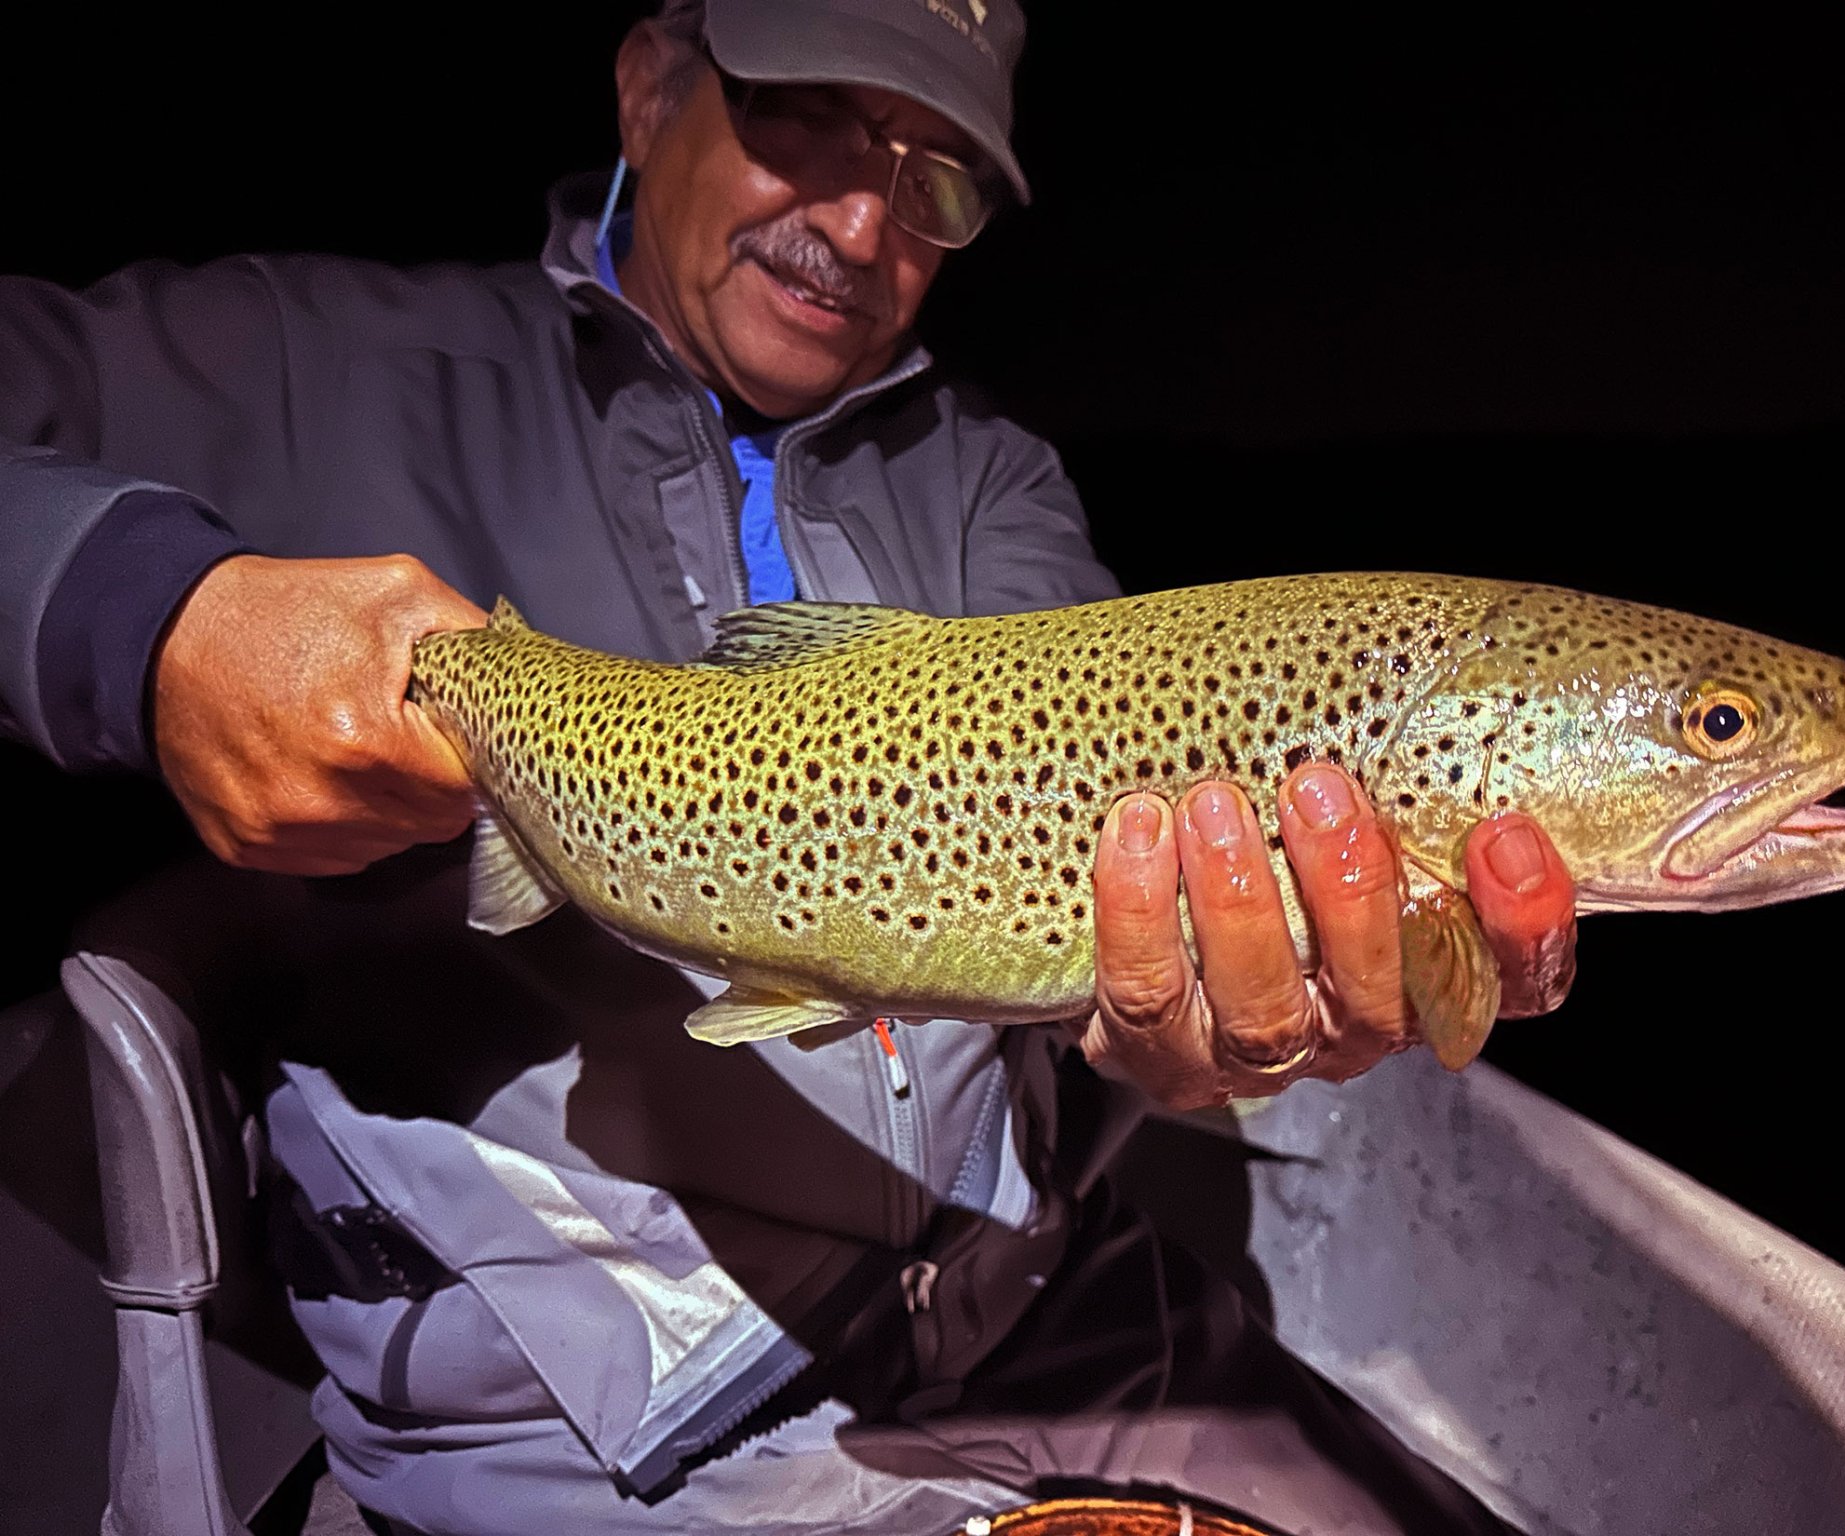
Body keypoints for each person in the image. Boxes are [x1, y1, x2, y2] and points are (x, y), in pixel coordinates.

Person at [0, 2, 1580, 1531]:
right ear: (645, 90)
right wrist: (141, 622)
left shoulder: (982, 477)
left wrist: (1186, 1026)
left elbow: (1115, 867)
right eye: (801, 115)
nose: (858, 217)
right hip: (603, 1420)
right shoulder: (318, 365)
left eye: (934, 179)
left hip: (1034, 1304)